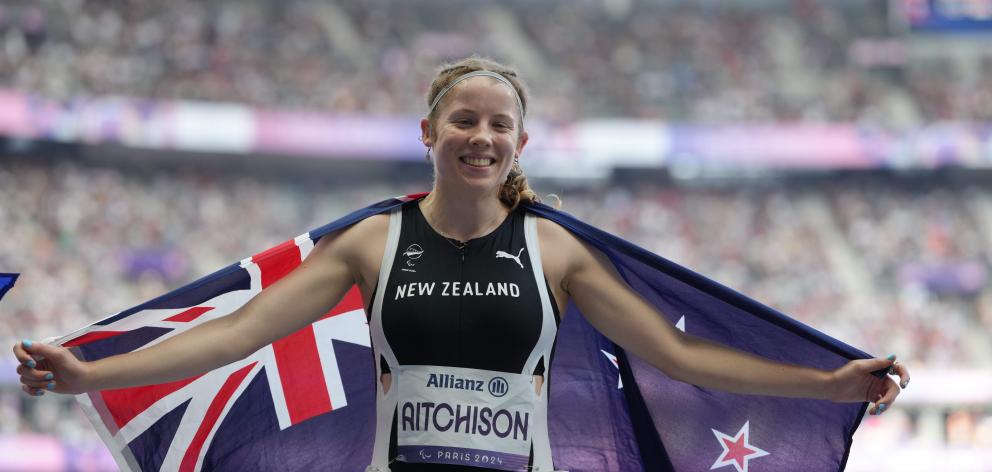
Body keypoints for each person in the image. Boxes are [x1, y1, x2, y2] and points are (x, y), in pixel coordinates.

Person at [12, 56, 910, 471]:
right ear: (429, 133)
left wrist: (830, 386)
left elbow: (680, 359)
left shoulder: (556, 249)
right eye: (464, 120)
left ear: (519, 145)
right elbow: (234, 337)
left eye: (498, 125)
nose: (480, 137)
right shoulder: (372, 242)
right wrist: (92, 370)